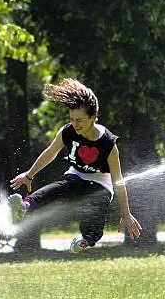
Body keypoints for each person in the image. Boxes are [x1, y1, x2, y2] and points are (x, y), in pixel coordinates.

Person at [8, 78, 142, 252]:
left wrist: (126, 214)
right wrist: (29, 175)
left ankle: (86, 239)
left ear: (93, 118)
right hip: (77, 176)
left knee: (95, 215)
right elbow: (51, 152)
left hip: (100, 184)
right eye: (72, 119)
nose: (75, 124)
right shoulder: (67, 132)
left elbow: (118, 180)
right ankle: (25, 207)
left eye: (79, 120)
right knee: (59, 188)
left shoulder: (108, 143)